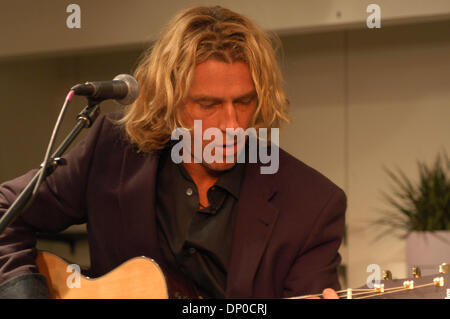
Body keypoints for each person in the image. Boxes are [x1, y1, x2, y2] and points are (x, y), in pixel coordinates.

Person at [0, 6, 345, 299]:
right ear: (170, 101)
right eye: (208, 104)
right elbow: (7, 211)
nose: (232, 125)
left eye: (243, 102)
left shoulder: (312, 206)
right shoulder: (113, 150)